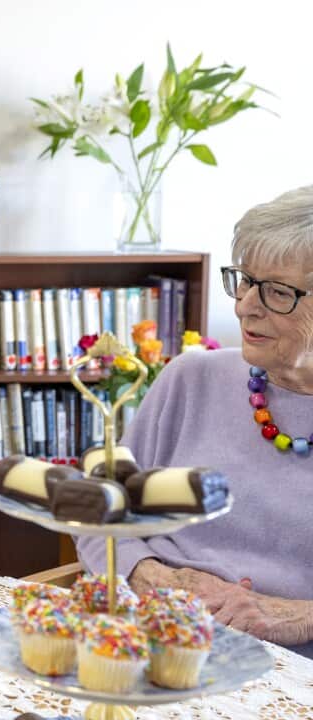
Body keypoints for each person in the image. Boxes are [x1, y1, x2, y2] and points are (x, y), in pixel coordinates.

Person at [76, 186, 313, 658]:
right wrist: (147, 572)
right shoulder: (192, 377)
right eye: (244, 281)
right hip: (145, 632)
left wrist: (292, 617)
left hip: (283, 666)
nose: (246, 304)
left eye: (278, 292)